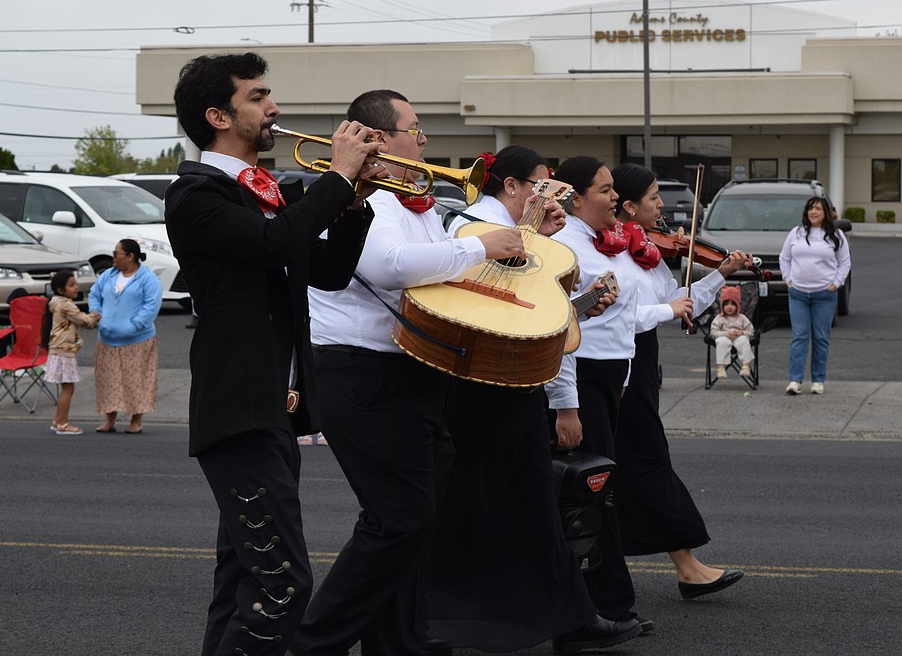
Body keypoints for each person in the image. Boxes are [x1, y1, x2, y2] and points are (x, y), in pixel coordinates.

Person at [294, 90, 526, 656]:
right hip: (360, 371)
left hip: (410, 370)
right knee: (398, 519)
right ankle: (313, 643)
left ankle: (397, 639)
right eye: (415, 130)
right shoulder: (365, 198)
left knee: (416, 519)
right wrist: (476, 249)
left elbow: (438, 276)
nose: (425, 142)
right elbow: (388, 267)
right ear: (378, 139)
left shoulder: (413, 203)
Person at [165, 52, 381, 656]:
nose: (275, 107)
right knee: (283, 585)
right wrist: (336, 179)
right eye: (258, 97)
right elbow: (274, 244)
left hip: (276, 411)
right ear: (218, 116)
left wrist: (356, 201)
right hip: (237, 409)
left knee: (242, 578)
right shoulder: (195, 195)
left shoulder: (266, 194)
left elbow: (331, 271)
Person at [428, 146, 638, 654]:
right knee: (484, 505)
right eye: (546, 186)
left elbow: (533, 313)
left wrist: (578, 309)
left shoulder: (524, 233)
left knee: (524, 506)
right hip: (481, 387)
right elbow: (482, 305)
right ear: (515, 189)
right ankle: (444, 621)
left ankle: (564, 619)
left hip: (509, 384)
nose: (556, 196)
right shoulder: (473, 226)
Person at [608, 162, 748, 602]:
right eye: (653, 197)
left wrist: (720, 274)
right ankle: (687, 566)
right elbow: (616, 318)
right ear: (628, 207)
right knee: (647, 462)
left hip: (644, 362)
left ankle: (683, 565)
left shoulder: (646, 252)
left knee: (634, 465)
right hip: (618, 366)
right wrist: (668, 311)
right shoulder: (608, 253)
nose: (663, 204)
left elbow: (677, 302)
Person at [542, 156, 650, 633]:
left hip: (607, 377)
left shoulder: (605, 244)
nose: (614, 198)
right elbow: (559, 329)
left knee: (600, 492)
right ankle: (598, 607)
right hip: (580, 377)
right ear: (577, 197)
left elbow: (621, 318)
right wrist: (567, 403)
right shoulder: (564, 246)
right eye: (604, 190)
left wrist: (623, 377)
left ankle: (604, 603)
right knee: (586, 496)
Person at [88, 238, 162, 434]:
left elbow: (151, 305)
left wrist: (135, 325)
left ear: (130, 256)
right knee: (108, 380)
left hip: (137, 340)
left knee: (136, 380)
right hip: (107, 340)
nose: (113, 258)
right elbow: (94, 294)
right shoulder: (108, 275)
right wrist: (95, 312)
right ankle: (109, 420)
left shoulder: (147, 278)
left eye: (116, 254)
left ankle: (136, 421)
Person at [779, 196, 851, 395]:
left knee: (820, 337)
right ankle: (795, 380)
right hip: (798, 294)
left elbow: (845, 262)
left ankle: (818, 380)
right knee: (800, 336)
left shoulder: (835, 235)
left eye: (818, 209)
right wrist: (788, 279)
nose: (814, 212)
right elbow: (784, 258)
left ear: (826, 212)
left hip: (824, 295)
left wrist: (835, 284)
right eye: (811, 208)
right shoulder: (796, 233)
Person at [41, 269, 100, 436]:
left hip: (58, 349)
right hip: (64, 350)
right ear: (61, 290)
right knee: (68, 388)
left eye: (76, 284)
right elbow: (83, 320)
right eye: (71, 285)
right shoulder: (66, 304)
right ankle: (62, 423)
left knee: (66, 387)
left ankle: (58, 420)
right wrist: (95, 316)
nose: (75, 288)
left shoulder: (55, 302)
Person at [710, 285, 755, 379]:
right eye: (726, 304)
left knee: (744, 340)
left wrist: (742, 333)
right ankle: (720, 367)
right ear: (722, 306)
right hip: (724, 337)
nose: (729, 307)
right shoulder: (719, 318)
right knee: (721, 341)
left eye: (732, 304)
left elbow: (751, 331)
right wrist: (726, 333)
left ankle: (746, 366)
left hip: (738, 338)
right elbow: (713, 332)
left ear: (737, 305)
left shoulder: (742, 318)